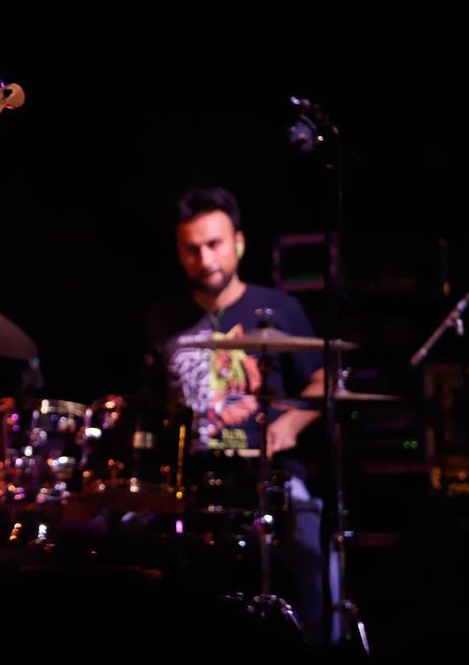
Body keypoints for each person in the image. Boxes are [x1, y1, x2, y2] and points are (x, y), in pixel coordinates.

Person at [140, 185, 337, 655]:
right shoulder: (163, 317)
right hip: (189, 482)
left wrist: (290, 422)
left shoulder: (280, 308)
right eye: (192, 248)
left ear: (240, 244)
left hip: (268, 478)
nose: (205, 258)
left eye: (215, 244)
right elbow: (151, 405)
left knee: (312, 560)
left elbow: (324, 381)